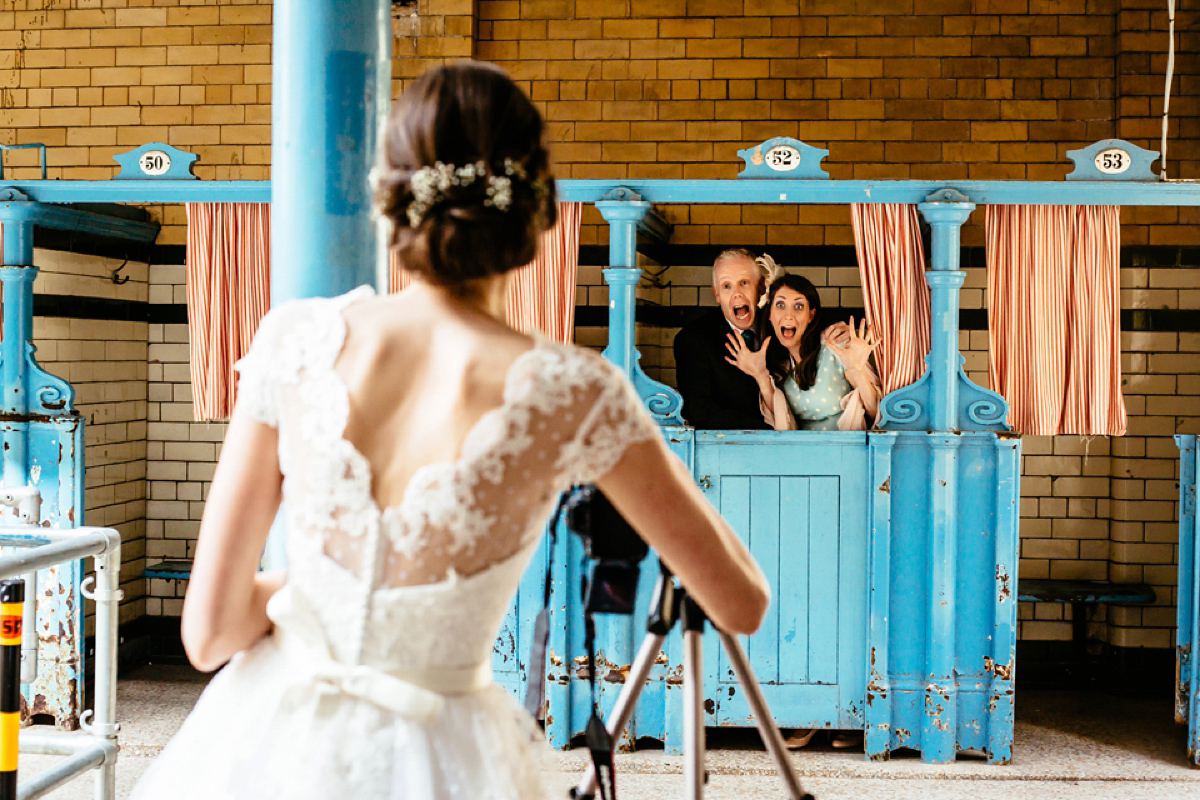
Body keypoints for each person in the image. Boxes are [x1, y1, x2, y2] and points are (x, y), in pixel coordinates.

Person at [128, 62, 769, 800]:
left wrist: (326, 587)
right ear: (542, 211)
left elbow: (208, 635)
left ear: (390, 201)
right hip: (446, 758)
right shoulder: (576, 391)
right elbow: (741, 603)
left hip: (263, 745)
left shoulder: (294, 340)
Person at [726, 271, 880, 432]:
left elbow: (875, 412)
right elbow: (781, 421)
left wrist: (857, 369)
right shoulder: (780, 364)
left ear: (810, 315)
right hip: (801, 453)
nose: (788, 315)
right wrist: (760, 375)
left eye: (798, 306)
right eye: (780, 305)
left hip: (847, 450)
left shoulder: (835, 348)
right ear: (770, 314)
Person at [673, 249, 772, 429]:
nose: (737, 294)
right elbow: (698, 410)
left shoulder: (780, 329)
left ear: (761, 287)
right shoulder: (693, 340)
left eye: (744, 283)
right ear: (717, 294)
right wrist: (765, 431)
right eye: (727, 286)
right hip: (725, 450)